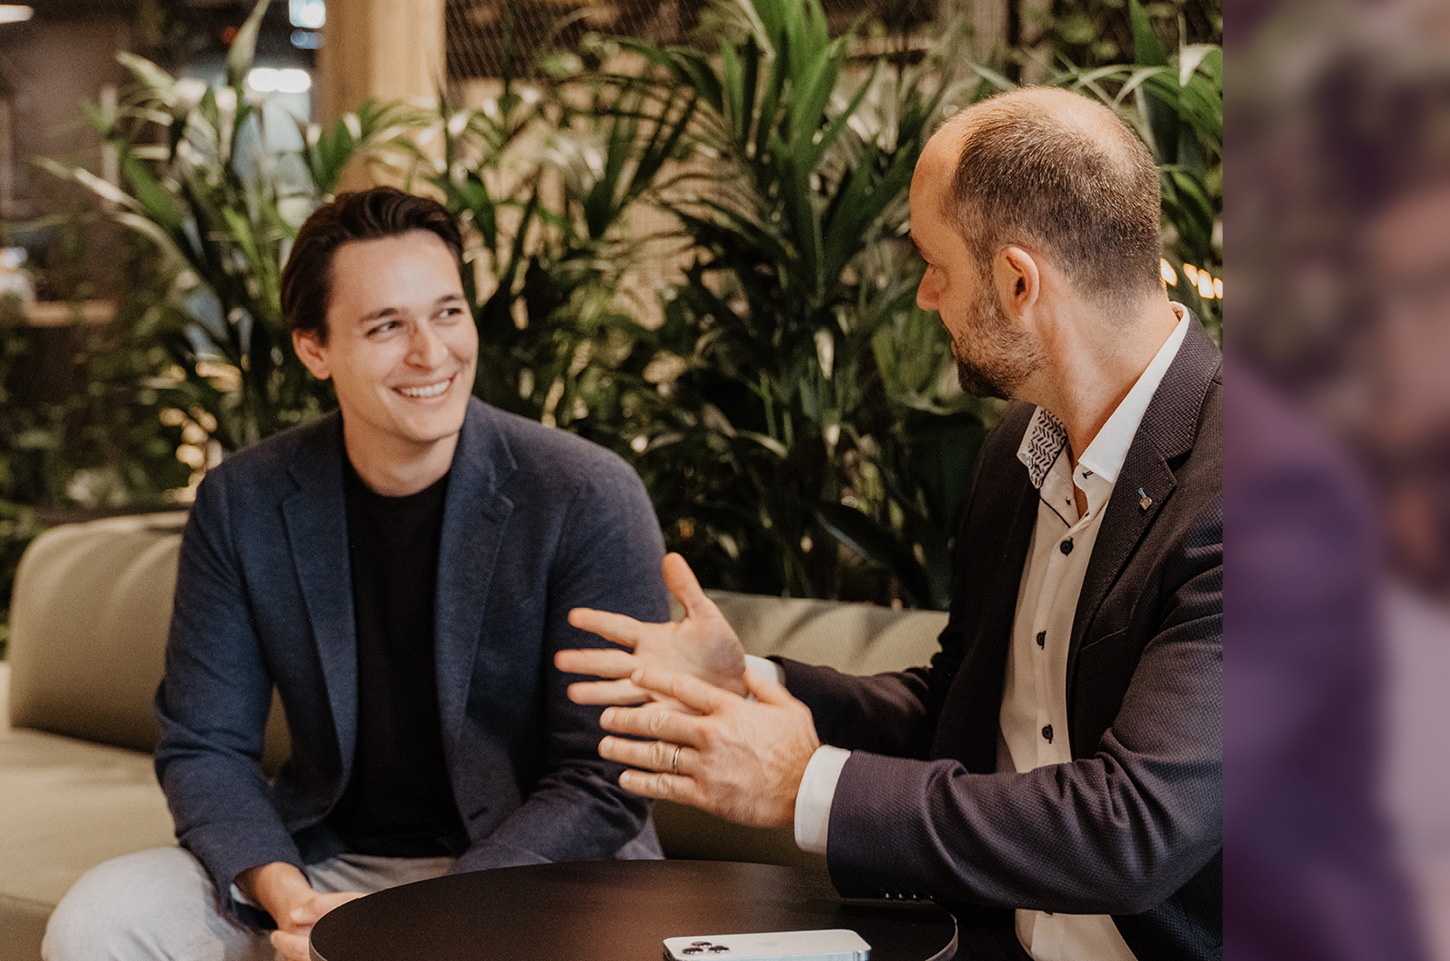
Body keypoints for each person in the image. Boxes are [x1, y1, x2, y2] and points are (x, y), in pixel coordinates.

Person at [558, 86, 1222, 961]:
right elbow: (959, 711)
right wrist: (755, 684)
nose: (923, 295)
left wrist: (803, 783)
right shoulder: (1019, 446)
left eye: (933, 262)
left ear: (1019, 281)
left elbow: (1130, 831)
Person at [43, 187, 669, 961]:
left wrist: (439, 916)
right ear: (314, 348)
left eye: (448, 312)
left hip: (540, 871)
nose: (431, 353)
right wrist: (289, 896)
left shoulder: (585, 494)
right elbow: (204, 744)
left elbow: (605, 772)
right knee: (100, 920)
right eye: (386, 326)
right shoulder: (244, 501)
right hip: (326, 864)